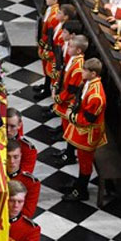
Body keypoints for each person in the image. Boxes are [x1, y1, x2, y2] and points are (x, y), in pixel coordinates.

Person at [62, 58, 107, 201]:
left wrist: (71, 116)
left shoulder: (96, 96)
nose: (82, 71)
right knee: (82, 160)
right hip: (84, 129)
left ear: (93, 74)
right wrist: (71, 109)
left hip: (89, 133)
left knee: (85, 162)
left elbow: (88, 119)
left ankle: (81, 191)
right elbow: (78, 99)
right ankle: (79, 184)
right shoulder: (88, 83)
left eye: (85, 70)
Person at [53, 35, 87, 165]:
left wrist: (59, 98)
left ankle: (70, 154)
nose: (68, 48)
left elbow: (72, 89)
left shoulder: (79, 67)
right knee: (66, 127)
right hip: (65, 98)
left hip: (69, 102)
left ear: (78, 50)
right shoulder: (73, 59)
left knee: (70, 129)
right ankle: (68, 152)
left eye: (71, 47)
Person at [35, 0, 64, 99]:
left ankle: (47, 89)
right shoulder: (50, 9)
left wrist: (46, 47)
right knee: (45, 67)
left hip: (50, 47)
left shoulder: (55, 15)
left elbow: (50, 34)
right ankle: (46, 85)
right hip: (45, 42)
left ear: (55, 0)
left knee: (49, 69)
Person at [7, 140, 41, 217]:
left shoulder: (31, 182)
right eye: (8, 157)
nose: (12, 161)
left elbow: (28, 212)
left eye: (15, 157)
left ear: (21, 156)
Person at [6, 107, 37, 173]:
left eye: (12, 126)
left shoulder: (28, 149)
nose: (8, 130)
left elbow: (23, 174)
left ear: (19, 125)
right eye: (5, 126)